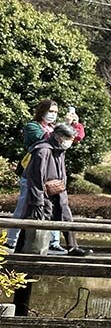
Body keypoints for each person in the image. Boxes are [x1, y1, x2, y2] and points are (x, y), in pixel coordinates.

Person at [14, 123, 90, 256]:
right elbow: (36, 178)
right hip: (43, 194)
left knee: (66, 218)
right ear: (59, 137)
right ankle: (19, 252)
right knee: (33, 222)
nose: (71, 142)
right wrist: (38, 200)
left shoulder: (59, 150)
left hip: (58, 191)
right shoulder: (43, 150)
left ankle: (72, 247)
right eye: (69, 138)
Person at [5, 99, 62, 251]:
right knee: (23, 206)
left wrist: (74, 125)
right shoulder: (32, 126)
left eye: (56, 112)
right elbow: (44, 139)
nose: (53, 115)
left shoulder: (55, 128)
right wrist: (60, 131)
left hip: (51, 174)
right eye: (51, 111)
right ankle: (11, 239)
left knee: (53, 206)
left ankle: (54, 242)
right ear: (42, 111)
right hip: (32, 172)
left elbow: (73, 138)